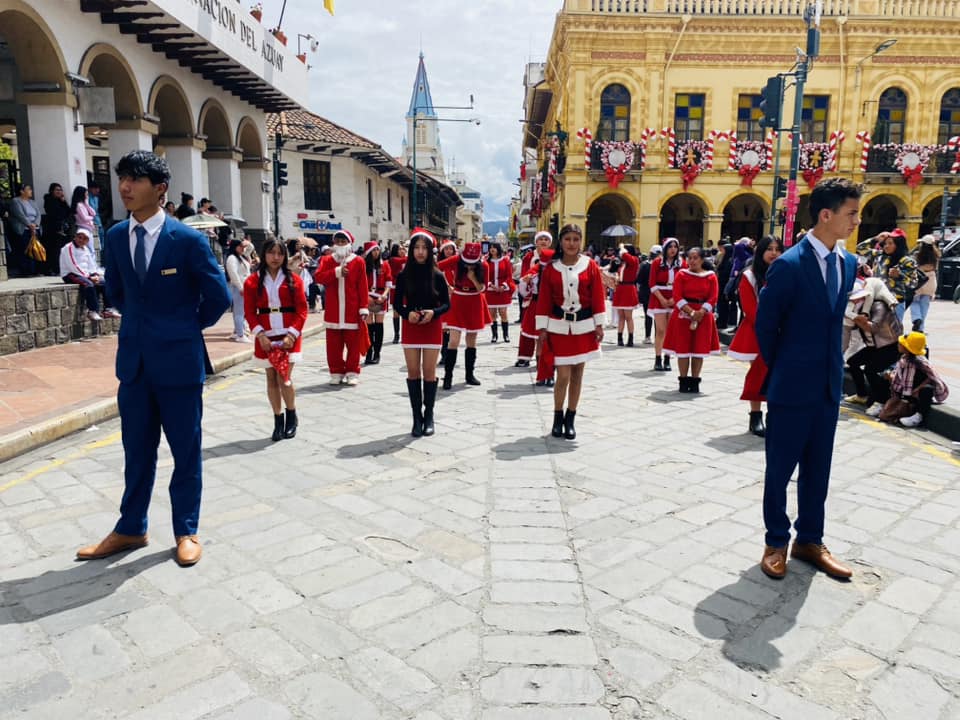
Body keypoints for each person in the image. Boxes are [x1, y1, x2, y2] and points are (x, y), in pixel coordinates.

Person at [76, 150, 230, 568]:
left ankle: (186, 529)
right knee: (136, 451)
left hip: (179, 364)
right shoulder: (113, 235)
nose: (124, 187)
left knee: (186, 450)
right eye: (122, 178)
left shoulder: (188, 240)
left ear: (159, 189)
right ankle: (131, 526)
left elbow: (219, 297)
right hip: (135, 365)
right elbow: (121, 293)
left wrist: (182, 326)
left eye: (135, 180)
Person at [755, 177, 861, 581]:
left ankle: (810, 539)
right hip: (792, 385)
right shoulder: (788, 265)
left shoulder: (847, 263)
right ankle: (776, 540)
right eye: (850, 214)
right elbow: (767, 327)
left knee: (819, 468)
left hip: (829, 386)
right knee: (779, 470)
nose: (855, 221)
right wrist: (785, 368)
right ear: (826, 214)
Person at [536, 224, 606, 440]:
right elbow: (544, 298)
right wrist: (542, 328)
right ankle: (557, 416)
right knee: (563, 375)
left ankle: (570, 418)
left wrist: (599, 324)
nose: (572, 244)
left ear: (581, 241)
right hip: (558, 327)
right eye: (568, 239)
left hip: (584, 327)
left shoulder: (590, 265)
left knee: (577, 375)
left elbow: (597, 295)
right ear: (561, 241)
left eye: (576, 239)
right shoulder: (551, 268)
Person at [244, 238, 308, 441]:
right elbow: (249, 311)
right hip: (265, 336)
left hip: (289, 335)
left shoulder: (294, 280)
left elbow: (302, 310)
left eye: (280, 253)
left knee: (284, 378)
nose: (275, 257)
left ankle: (291, 415)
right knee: (271, 378)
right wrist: (260, 334)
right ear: (264, 254)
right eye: (271, 252)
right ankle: (277, 419)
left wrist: (292, 334)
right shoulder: (252, 281)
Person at [394, 229, 450, 437]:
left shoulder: (438, 275)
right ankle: (416, 417)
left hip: (432, 326)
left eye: (424, 248)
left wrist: (433, 313)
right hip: (411, 326)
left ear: (430, 251)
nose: (419, 252)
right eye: (416, 248)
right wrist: (407, 314)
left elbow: (447, 304)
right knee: (413, 372)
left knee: (429, 372)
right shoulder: (403, 275)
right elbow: (397, 303)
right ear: (410, 251)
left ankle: (429, 416)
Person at [728, 235, 782, 435]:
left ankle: (775, 416)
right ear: (760, 251)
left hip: (783, 332)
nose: (774, 253)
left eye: (778, 249)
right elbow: (751, 310)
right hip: (758, 332)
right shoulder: (749, 276)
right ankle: (755, 416)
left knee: (780, 376)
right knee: (759, 373)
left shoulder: (787, 274)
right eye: (770, 249)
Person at [315, 229, 369, 386]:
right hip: (333, 311)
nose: (339, 244)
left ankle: (352, 371)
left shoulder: (358, 261)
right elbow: (318, 277)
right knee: (333, 345)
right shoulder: (326, 260)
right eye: (337, 241)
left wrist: (363, 307)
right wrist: (336, 272)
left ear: (349, 243)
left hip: (352, 310)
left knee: (353, 344)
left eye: (343, 241)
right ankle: (336, 371)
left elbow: (363, 286)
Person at [663, 247, 720, 393]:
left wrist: (701, 311)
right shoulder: (682, 275)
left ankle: (695, 381)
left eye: (695, 258)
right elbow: (677, 296)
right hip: (683, 314)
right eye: (690, 258)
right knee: (683, 348)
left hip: (703, 315)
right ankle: (683, 380)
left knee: (698, 349)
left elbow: (713, 297)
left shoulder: (710, 276)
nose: (692, 261)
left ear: (702, 259)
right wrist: (691, 312)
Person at [842, 277, 901, 417]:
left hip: (889, 346)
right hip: (874, 346)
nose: (856, 301)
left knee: (871, 370)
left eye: (859, 298)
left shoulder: (878, 306)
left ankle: (880, 401)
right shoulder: (857, 309)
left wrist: (855, 317)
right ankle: (862, 395)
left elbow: (873, 328)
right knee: (852, 362)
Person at [439, 242, 491, 389]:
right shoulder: (456, 259)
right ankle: (448, 376)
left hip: (475, 299)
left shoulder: (484, 266)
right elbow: (436, 267)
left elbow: (482, 288)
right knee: (454, 340)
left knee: (471, 339)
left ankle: (469, 375)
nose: (469, 265)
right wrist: (446, 286)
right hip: (458, 298)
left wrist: (473, 277)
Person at [886, 331, 949, 428]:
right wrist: (891, 377)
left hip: (916, 393)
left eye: (901, 343)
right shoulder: (903, 359)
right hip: (907, 392)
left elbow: (933, 377)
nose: (898, 344)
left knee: (927, 390)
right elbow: (899, 377)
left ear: (908, 347)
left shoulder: (920, 362)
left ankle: (919, 416)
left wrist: (918, 388)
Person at [856, 228, 918, 324]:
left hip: (895, 303)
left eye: (890, 243)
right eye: (885, 243)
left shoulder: (907, 261)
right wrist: (876, 239)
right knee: (874, 334)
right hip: (876, 301)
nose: (886, 246)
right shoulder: (879, 255)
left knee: (892, 334)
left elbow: (913, 284)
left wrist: (900, 275)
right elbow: (860, 248)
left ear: (898, 245)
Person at [59, 227, 120, 321]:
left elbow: (91, 264)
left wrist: (95, 274)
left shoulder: (85, 249)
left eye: (84, 239)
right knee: (89, 285)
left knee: (105, 282)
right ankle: (92, 311)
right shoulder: (68, 248)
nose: (81, 240)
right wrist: (89, 277)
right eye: (79, 237)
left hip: (84, 274)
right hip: (70, 274)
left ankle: (108, 309)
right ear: (75, 237)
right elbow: (73, 265)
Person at [648, 237, 685, 372]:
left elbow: (684, 283)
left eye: (675, 247)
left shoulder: (682, 264)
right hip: (659, 297)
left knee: (671, 331)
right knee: (661, 330)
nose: (673, 249)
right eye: (670, 247)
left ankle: (667, 358)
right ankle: (658, 358)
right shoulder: (657, 263)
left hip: (675, 297)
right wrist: (662, 299)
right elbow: (651, 283)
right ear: (665, 248)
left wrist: (675, 299)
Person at [362, 241, 391, 365]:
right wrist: (366, 296)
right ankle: (369, 352)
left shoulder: (384, 265)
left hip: (380, 297)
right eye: (373, 250)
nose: (376, 252)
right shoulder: (363, 265)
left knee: (379, 326)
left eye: (377, 250)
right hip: (367, 298)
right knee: (369, 327)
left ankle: (377, 353)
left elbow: (388, 283)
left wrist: (384, 296)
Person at [485, 241, 516, 344]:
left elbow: (509, 275)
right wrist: (491, 285)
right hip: (491, 290)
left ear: (498, 249)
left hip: (503, 290)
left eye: (494, 247)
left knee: (503, 312)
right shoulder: (486, 261)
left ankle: (505, 334)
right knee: (492, 313)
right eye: (490, 248)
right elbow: (483, 276)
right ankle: (494, 335)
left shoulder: (506, 260)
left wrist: (503, 285)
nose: (492, 249)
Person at [611, 244, 641, 346]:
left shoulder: (635, 260)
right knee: (621, 317)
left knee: (629, 317)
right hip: (620, 289)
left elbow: (624, 255)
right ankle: (619, 338)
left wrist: (622, 247)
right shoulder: (623, 263)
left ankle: (630, 338)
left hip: (628, 289)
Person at [8, 183, 41, 276]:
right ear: (22, 191)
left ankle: (34, 270)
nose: (31, 191)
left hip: (34, 228)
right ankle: (26, 271)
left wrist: (35, 224)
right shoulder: (16, 201)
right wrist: (30, 225)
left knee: (35, 250)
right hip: (23, 229)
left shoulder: (32, 202)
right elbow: (20, 215)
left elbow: (38, 214)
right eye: (28, 189)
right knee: (25, 250)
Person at [910, 234, 940, 331]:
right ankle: (921, 327)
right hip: (930, 280)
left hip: (918, 280)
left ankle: (916, 318)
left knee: (914, 302)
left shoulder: (917, 255)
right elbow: (936, 269)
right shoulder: (936, 256)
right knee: (924, 304)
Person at [225, 238, 252, 342]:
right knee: (239, 312)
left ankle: (237, 331)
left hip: (245, 286)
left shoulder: (240, 257)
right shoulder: (232, 258)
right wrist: (241, 287)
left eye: (242, 246)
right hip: (238, 287)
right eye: (240, 246)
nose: (243, 248)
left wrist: (247, 243)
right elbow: (233, 274)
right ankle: (240, 335)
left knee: (242, 311)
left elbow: (250, 249)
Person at [41, 182, 71, 275]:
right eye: (57, 190)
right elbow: (56, 213)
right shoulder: (49, 200)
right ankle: (51, 269)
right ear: (52, 191)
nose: (59, 192)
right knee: (53, 251)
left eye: (60, 190)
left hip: (62, 229)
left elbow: (68, 212)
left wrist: (63, 201)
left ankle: (59, 268)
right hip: (52, 229)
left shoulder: (60, 201)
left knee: (60, 250)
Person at [636, 245, 657, 344]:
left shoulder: (644, 265)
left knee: (648, 315)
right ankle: (658, 336)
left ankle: (648, 336)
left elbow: (639, 279)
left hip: (646, 292)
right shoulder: (661, 265)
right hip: (658, 293)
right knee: (658, 316)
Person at [387, 242, 408, 343]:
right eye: (400, 249)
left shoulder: (405, 260)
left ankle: (405, 334)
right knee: (396, 312)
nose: (402, 251)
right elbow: (403, 260)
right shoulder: (393, 259)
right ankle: (396, 334)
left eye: (403, 249)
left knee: (406, 311)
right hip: (395, 288)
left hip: (407, 288)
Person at [87, 181, 106, 253]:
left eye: (98, 188)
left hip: (99, 221)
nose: (97, 190)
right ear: (90, 189)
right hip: (92, 223)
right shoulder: (87, 198)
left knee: (101, 241)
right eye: (95, 189)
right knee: (95, 243)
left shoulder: (97, 198)